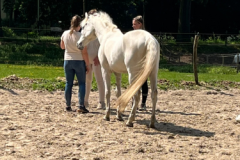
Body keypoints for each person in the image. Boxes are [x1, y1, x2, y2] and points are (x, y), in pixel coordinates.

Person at [60, 15, 90, 113]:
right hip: (79, 60)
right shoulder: (81, 36)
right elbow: (84, 52)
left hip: (67, 60)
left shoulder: (65, 33)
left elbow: (62, 47)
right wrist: (87, 64)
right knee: (82, 83)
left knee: (68, 83)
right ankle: (81, 105)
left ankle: (68, 105)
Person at [84, 9, 106, 110]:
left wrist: (98, 56)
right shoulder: (85, 28)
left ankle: (101, 102)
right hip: (87, 58)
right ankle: (85, 101)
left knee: (99, 80)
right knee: (87, 80)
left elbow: (104, 44)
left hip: (97, 58)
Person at [132, 15, 148, 111]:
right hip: (133, 62)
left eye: (134, 24)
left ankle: (143, 103)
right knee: (133, 82)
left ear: (140, 24)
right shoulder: (132, 35)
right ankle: (134, 102)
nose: (133, 26)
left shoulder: (145, 35)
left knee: (143, 83)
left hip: (142, 61)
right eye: (133, 24)